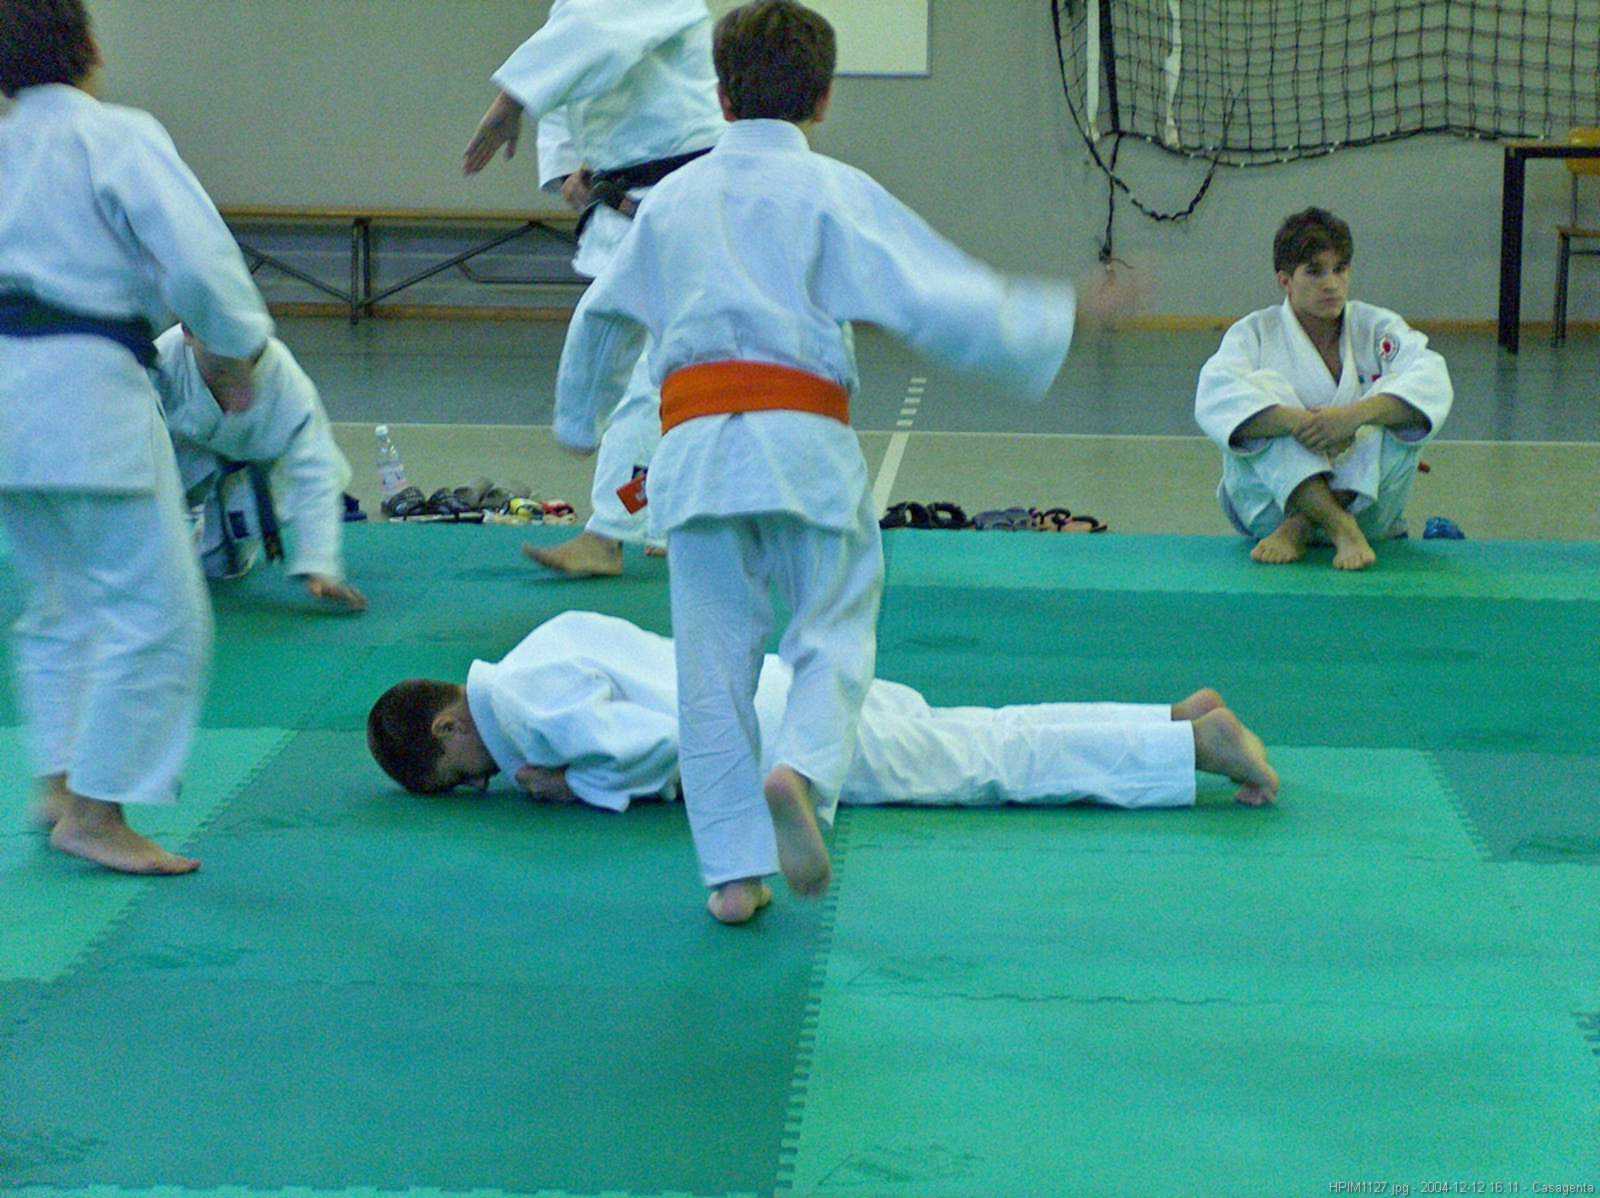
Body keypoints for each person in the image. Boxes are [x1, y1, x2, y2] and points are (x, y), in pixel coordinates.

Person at [552, 1, 1135, 923]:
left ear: (719, 96)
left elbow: (603, 317)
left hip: (694, 455)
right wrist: (1062, 314)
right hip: (803, 445)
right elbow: (937, 296)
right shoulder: (833, 191)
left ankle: (732, 876)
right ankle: (804, 770)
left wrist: (578, 420)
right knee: (832, 630)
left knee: (709, 671)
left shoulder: (672, 203)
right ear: (823, 99)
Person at [367, 612, 1279, 921]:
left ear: (450, 725)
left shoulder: (524, 704)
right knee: (974, 731)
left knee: (984, 763)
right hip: (783, 683)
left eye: (466, 775)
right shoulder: (544, 641)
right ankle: (1167, 720)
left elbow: (669, 741)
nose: (488, 782)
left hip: (776, 736)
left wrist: (575, 784)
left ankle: (1190, 748)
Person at [0, 0, 272, 873]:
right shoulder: (113, 135)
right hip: (82, 397)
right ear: (88, 47)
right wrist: (231, 355)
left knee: (58, 601)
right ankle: (96, 813)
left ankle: (59, 782)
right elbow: (200, 264)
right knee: (156, 610)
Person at [462, 0, 724, 578]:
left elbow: (591, 36)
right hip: (634, 201)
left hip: (680, 198)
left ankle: (613, 530)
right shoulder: (576, 15)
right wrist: (568, 171)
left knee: (654, 375)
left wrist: (509, 102)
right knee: (658, 373)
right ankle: (656, 519)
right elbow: (574, 63)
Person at [1194, 207, 1454, 571]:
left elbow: (1432, 379)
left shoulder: (1376, 326)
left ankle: (1302, 525)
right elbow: (1214, 397)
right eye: (1314, 271)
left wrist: (1353, 417)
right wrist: (1300, 423)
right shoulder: (1254, 333)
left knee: (1393, 394)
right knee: (1263, 392)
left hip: (1367, 509)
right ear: (1285, 280)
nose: (1331, 284)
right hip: (1271, 509)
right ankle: (1338, 526)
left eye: (1340, 269)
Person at [152, 325, 367, 611]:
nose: (234, 386)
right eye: (221, 370)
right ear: (188, 334)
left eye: (242, 367)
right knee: (139, 556)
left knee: (219, 567)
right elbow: (122, 443)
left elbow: (315, 468)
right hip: (173, 454)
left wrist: (320, 565)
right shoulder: (162, 360)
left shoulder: (282, 376)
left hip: (249, 469)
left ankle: (213, 537)